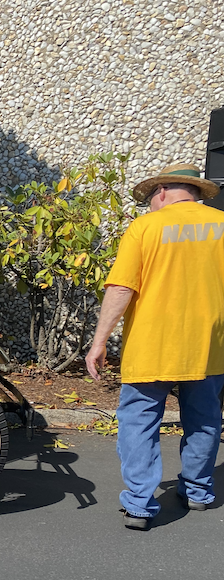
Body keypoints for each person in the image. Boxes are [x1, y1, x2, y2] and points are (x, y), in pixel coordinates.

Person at [86, 162, 224, 531]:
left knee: (139, 422)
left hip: (152, 345)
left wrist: (99, 342)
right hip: (208, 347)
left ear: (161, 192)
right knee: (205, 419)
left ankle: (139, 505)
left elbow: (121, 288)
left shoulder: (146, 227)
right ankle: (197, 491)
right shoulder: (222, 226)